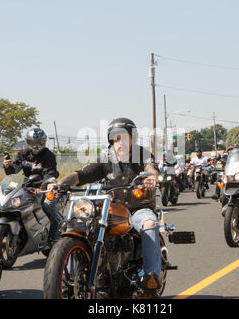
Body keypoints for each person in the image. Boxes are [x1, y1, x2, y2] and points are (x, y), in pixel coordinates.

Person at [45, 118, 161, 298]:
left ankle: (152, 280)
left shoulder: (142, 155)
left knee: (149, 223)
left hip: (138, 208)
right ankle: (72, 276)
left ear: (132, 138)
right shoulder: (106, 158)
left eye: (123, 137)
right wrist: (60, 183)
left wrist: (150, 178)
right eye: (115, 139)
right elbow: (82, 175)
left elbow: (151, 168)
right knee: (81, 225)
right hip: (112, 208)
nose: (119, 142)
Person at [3, 127, 60, 243]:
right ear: (27, 142)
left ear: (44, 142)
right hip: (27, 187)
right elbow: (13, 172)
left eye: (39, 143)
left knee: (47, 204)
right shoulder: (22, 154)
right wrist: (7, 166)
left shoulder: (49, 156)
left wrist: (41, 188)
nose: (36, 146)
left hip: (45, 188)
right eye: (32, 143)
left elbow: (49, 174)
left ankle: (56, 230)